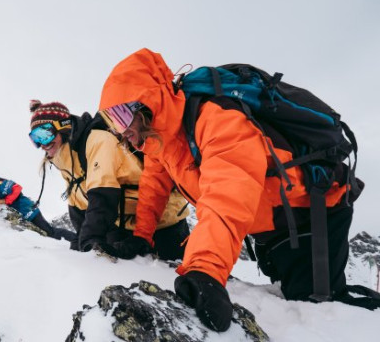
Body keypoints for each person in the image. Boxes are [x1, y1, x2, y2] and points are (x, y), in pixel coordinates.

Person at [97, 48, 372, 332]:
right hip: (272, 228)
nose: (120, 131)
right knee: (289, 302)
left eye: (120, 116)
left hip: (310, 215)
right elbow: (154, 188)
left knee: (320, 315)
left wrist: (204, 270)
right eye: (110, 121)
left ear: (148, 102)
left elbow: (227, 192)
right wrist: (142, 236)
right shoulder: (161, 143)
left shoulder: (217, 119)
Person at [28, 100, 190, 260]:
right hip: (122, 225)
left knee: (171, 275)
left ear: (63, 126)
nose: (41, 144)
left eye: (44, 134)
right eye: (35, 138)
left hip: (164, 223)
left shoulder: (98, 140)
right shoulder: (64, 158)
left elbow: (103, 195)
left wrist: (89, 240)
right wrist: (82, 239)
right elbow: (77, 202)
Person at [0, 170, 76, 241]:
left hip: (28, 209)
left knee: (50, 233)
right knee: (40, 237)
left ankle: (77, 240)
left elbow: (17, 188)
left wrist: (5, 201)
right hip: (19, 217)